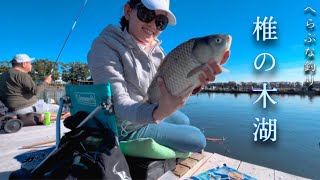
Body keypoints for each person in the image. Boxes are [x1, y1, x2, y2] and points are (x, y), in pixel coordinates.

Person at [87, 0, 229, 153]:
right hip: (125, 126)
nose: (153, 25)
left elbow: (171, 85)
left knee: (184, 121)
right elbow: (118, 104)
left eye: (161, 22)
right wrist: (159, 113)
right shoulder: (104, 46)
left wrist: (195, 82)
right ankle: (131, 143)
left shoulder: (157, 51)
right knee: (198, 140)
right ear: (128, 11)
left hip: (149, 107)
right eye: (146, 13)